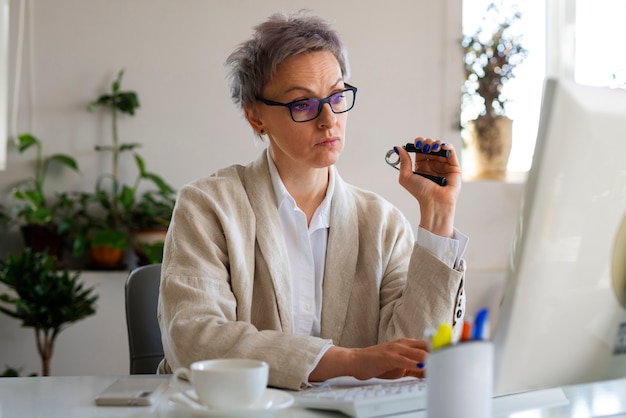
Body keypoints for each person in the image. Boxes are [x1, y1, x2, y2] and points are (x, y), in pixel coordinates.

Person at [157, 10, 468, 391]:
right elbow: (194, 339)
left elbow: (416, 354)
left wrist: (437, 214)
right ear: (256, 117)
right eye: (302, 104)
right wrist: (350, 361)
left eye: (336, 97)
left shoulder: (381, 223)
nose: (328, 119)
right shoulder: (208, 206)